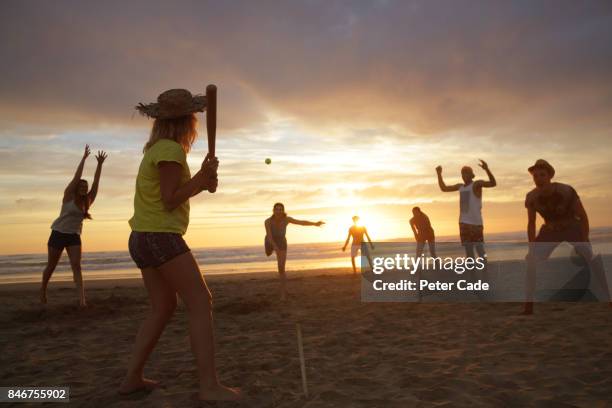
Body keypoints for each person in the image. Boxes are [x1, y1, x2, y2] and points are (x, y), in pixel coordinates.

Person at [119, 89, 240, 401]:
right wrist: (200, 179)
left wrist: (200, 183)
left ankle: (132, 378)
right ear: (187, 122)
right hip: (161, 237)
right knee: (201, 302)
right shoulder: (171, 150)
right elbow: (170, 200)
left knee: (163, 306)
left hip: (142, 238)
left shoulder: (158, 149)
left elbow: (172, 194)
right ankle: (209, 386)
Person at [522, 159, 612, 315]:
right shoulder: (531, 197)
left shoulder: (566, 191)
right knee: (531, 261)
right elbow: (531, 224)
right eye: (535, 176)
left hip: (572, 226)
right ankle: (528, 305)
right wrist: (532, 247)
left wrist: (584, 241)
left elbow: (583, 216)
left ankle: (609, 299)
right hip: (550, 229)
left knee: (591, 259)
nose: (538, 179)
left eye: (542, 175)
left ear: (549, 176)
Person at [40, 144, 107, 307]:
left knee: (76, 266)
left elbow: (96, 183)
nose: (84, 188)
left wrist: (99, 165)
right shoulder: (68, 196)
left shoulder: (88, 201)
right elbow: (77, 177)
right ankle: (43, 289)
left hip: (73, 236)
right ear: (76, 188)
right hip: (58, 233)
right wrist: (84, 159)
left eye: (86, 187)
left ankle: (82, 299)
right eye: (81, 186)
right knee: (52, 265)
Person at [436, 160, 496, 261]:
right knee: (469, 252)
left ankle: (485, 269)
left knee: (480, 250)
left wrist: (487, 169)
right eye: (462, 174)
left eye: (466, 173)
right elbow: (444, 188)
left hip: (476, 224)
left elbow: (493, 183)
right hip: (463, 223)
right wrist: (439, 174)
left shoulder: (476, 184)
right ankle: (472, 275)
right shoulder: (460, 187)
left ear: (471, 175)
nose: (464, 175)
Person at [265, 203, 324, 300]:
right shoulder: (267, 221)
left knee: (281, 268)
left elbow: (301, 222)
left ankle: (283, 293)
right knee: (268, 253)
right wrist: (274, 247)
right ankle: (270, 250)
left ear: (283, 211)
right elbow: (270, 236)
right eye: (277, 209)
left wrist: (314, 224)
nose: (278, 211)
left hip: (282, 242)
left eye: (280, 209)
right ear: (273, 211)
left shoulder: (287, 219)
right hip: (269, 240)